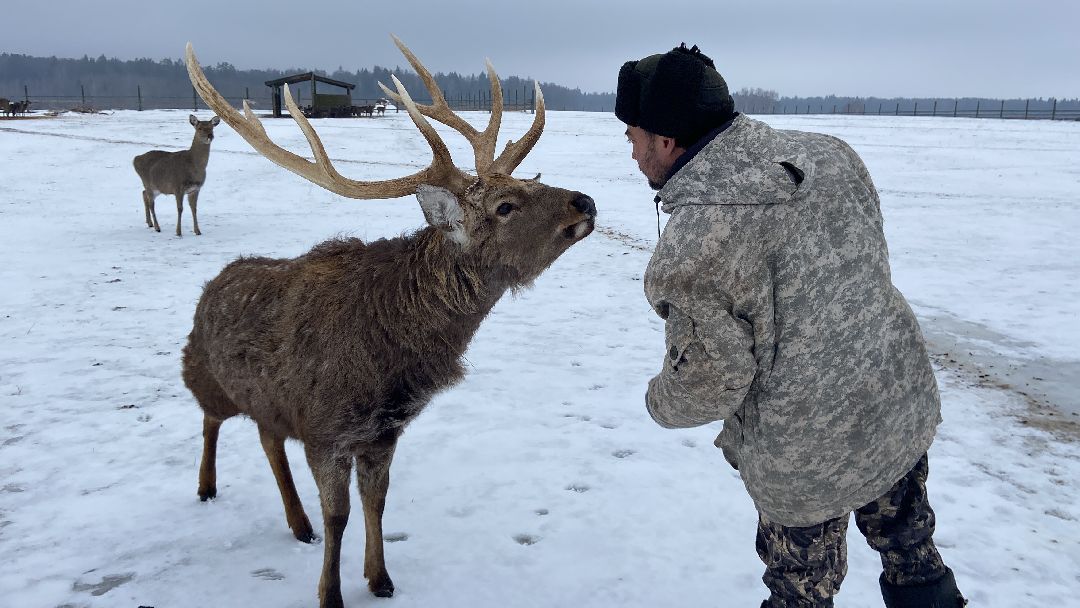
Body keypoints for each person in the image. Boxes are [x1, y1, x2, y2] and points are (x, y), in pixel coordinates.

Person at [616, 44, 966, 608]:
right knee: (911, 550)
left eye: (632, 136)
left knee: (800, 593)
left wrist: (658, 401)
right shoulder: (831, 154)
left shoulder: (694, 244)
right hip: (893, 402)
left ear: (665, 137)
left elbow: (713, 380)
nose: (630, 153)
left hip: (803, 456)